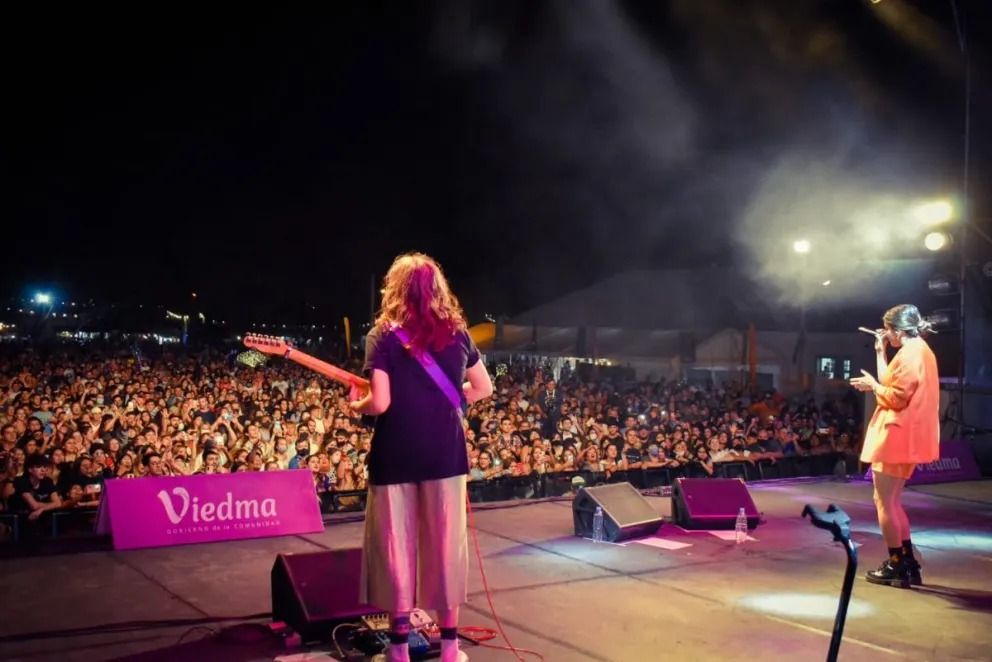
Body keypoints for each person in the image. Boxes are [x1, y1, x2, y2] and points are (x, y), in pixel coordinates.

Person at [350, 252, 493, 662]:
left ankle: (398, 652)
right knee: (447, 550)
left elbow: (380, 403)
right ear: (438, 289)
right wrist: (449, 399)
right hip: (445, 456)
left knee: (396, 552)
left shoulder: (383, 335)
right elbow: (483, 388)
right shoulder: (458, 333)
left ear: (395, 288)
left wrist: (354, 406)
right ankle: (449, 649)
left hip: (396, 455)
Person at [850, 304, 939, 588]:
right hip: (904, 434)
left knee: (884, 501)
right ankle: (906, 562)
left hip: (896, 434)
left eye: (888, 331)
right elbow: (890, 383)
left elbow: (894, 397)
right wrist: (880, 351)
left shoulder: (912, 354)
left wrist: (873, 386)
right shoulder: (917, 350)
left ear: (899, 330)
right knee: (892, 500)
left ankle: (898, 565)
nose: (887, 335)